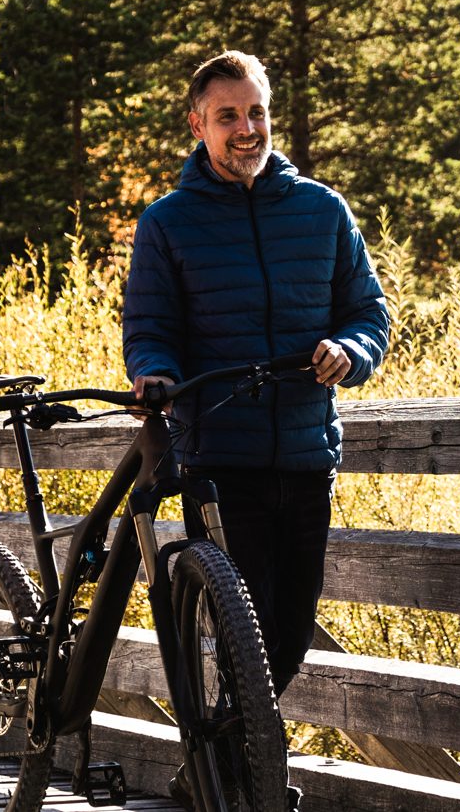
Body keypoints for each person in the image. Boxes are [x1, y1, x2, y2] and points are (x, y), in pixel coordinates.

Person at [124, 50, 391, 806]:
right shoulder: (168, 223)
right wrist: (156, 375)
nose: (247, 129)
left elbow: (369, 312)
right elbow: (149, 328)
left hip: (307, 451)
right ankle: (243, 776)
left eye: (257, 112)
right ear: (198, 124)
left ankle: (213, 765)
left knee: (291, 631)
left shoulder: (321, 209)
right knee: (247, 633)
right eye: (229, 116)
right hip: (219, 457)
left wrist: (351, 349)